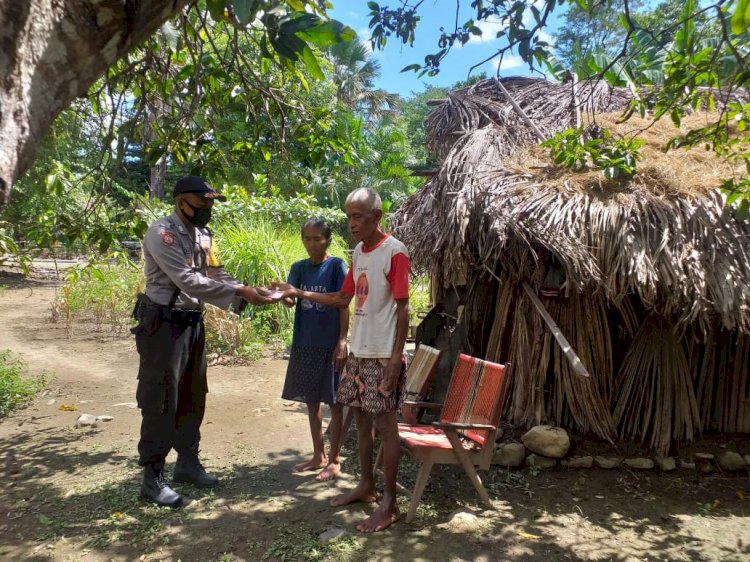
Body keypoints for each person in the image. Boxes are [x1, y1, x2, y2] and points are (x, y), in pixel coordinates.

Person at [131, 175, 276, 508]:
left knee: (194, 393)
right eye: (202, 203)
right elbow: (187, 281)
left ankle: (187, 463)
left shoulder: (204, 235)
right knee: (161, 397)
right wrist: (241, 293)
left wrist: (253, 292)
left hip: (192, 323)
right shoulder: (162, 234)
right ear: (182, 202)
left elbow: (215, 275)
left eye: (211, 203)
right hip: (163, 325)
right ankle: (152, 478)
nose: (208, 209)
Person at [274, 187, 410, 533]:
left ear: (376, 216)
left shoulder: (395, 252)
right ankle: (366, 486)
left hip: (382, 354)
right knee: (361, 422)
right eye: (348, 216)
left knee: (386, 426)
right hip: (360, 353)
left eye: (358, 216)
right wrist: (296, 292)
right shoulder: (359, 253)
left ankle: (390, 503)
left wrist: (396, 358)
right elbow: (342, 298)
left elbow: (403, 306)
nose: (351, 223)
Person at [281, 219, 348, 481]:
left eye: (317, 238)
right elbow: (290, 298)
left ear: (327, 240)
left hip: (330, 343)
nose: (311, 244)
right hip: (305, 342)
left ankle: (334, 460)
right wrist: (282, 295)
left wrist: (342, 340)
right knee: (311, 401)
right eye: (307, 239)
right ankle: (318, 455)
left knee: (335, 401)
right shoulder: (299, 267)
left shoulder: (336, 266)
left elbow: (343, 303)